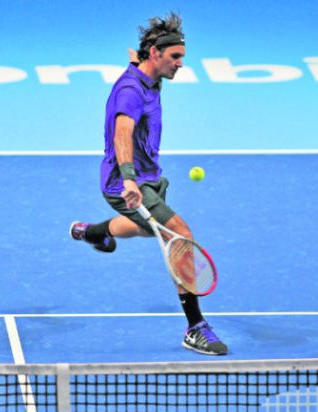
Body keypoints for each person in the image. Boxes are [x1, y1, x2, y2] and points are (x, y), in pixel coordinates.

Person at [70, 12, 228, 356]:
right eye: (175, 57)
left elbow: (142, 67)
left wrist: (138, 59)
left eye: (182, 57)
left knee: (147, 229)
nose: (181, 64)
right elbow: (122, 132)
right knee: (180, 235)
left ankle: (96, 232)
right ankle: (195, 327)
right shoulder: (129, 91)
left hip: (152, 177)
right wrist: (128, 179)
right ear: (156, 54)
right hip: (126, 182)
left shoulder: (149, 75)